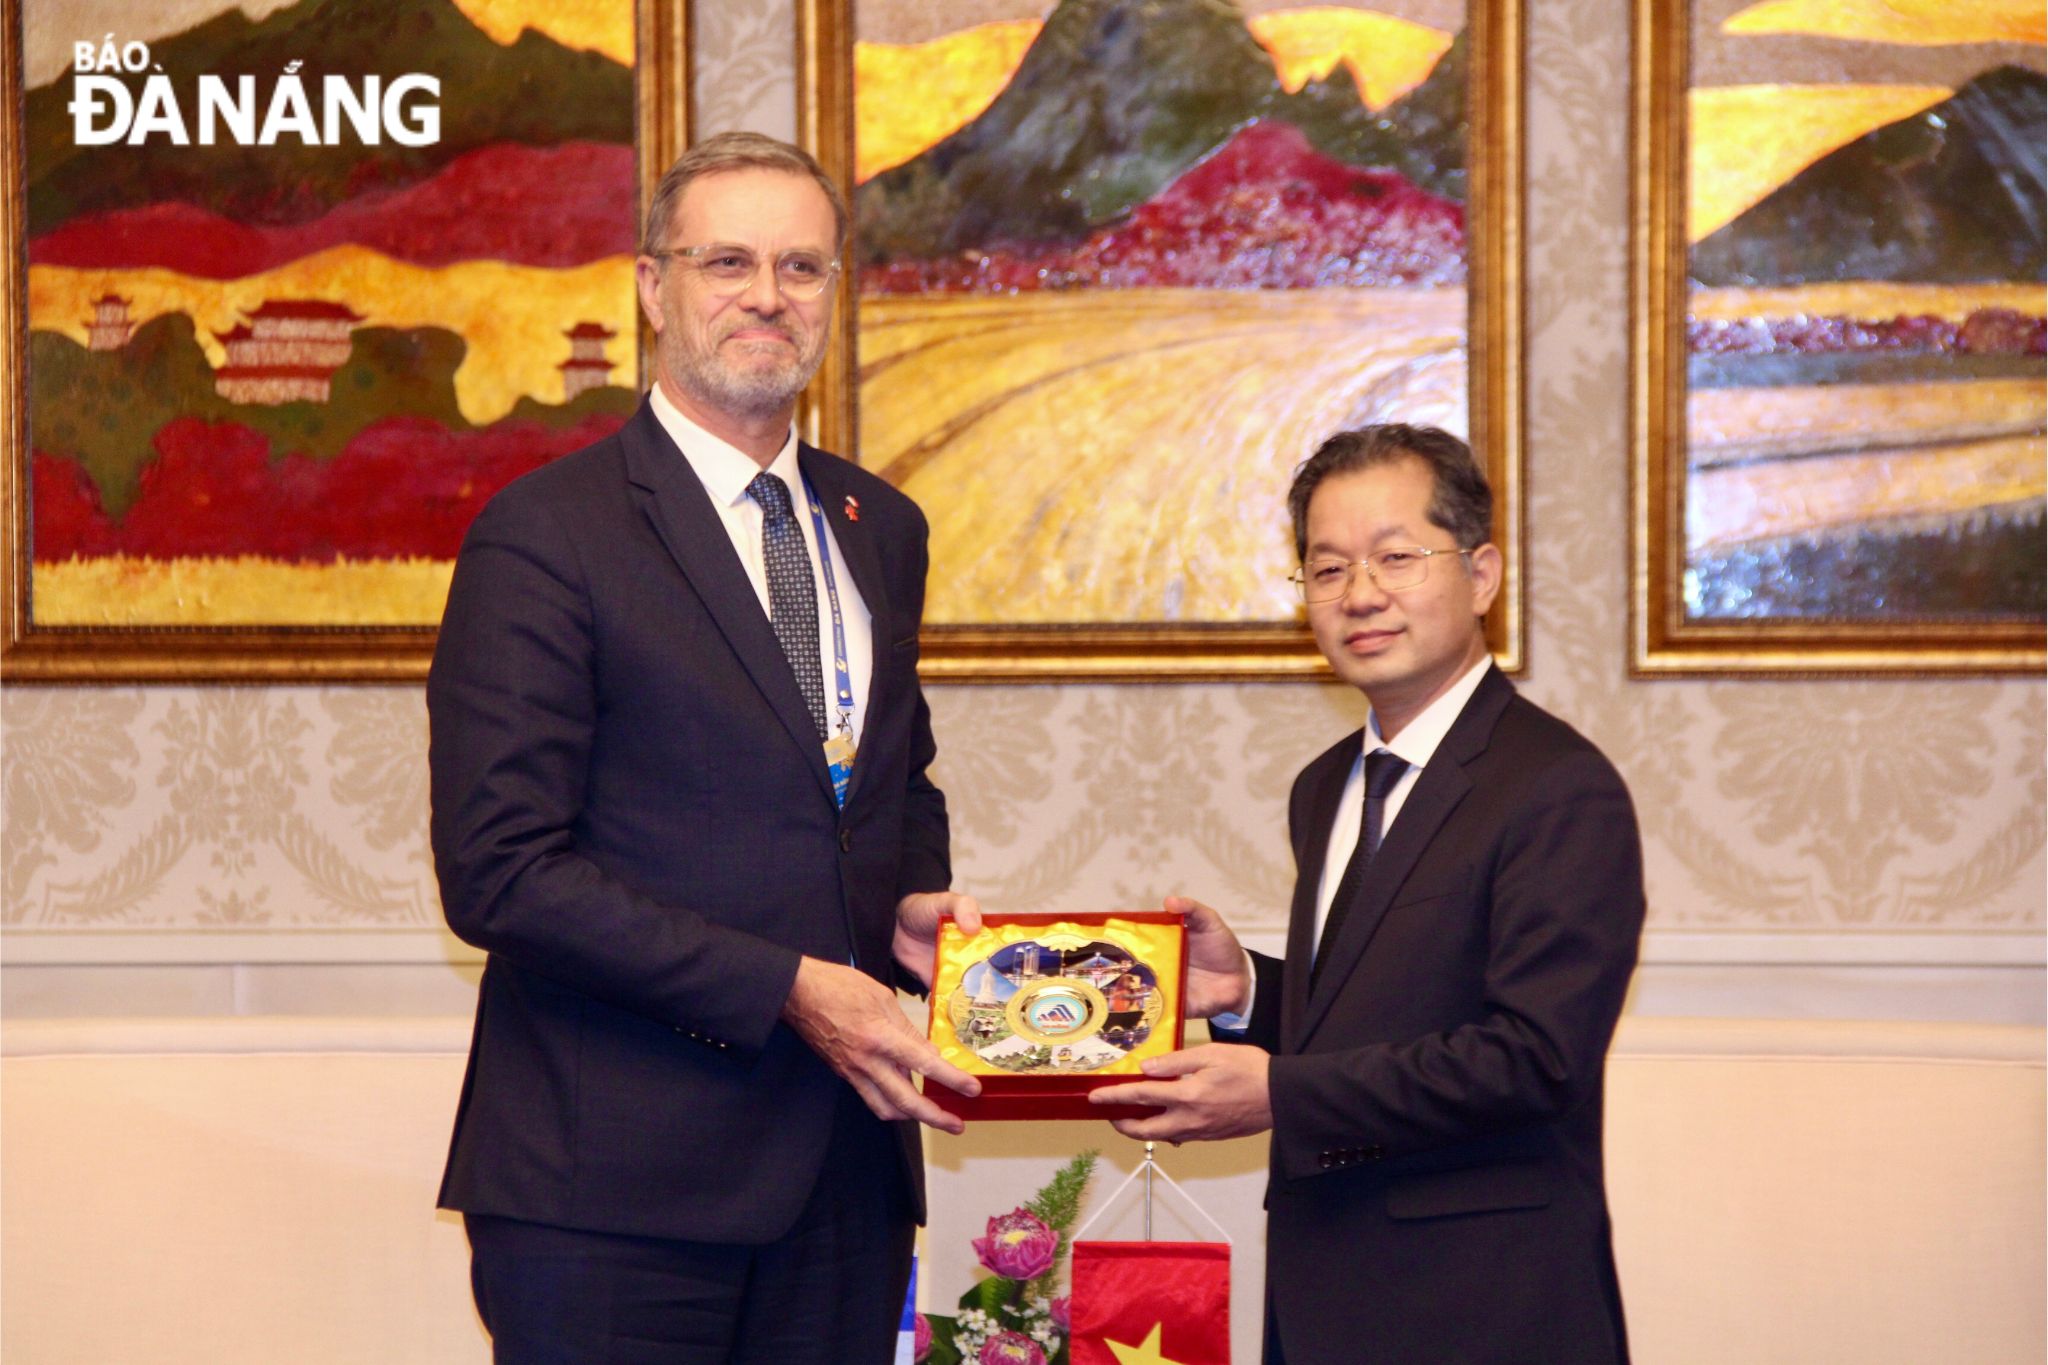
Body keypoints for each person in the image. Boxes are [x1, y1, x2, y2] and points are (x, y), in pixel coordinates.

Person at [428, 131, 982, 1364]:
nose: (766, 296)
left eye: (802, 266)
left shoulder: (879, 526)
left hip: (842, 1178)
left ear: (834, 293)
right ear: (649, 285)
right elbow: (499, 871)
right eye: (726, 260)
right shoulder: (544, 536)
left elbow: (891, 778)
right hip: (613, 1195)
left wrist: (910, 904)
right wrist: (784, 985)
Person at [1091, 424, 1645, 1364]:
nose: (1361, 595)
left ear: (1481, 574)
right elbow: (1384, 1006)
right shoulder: (1327, 785)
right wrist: (1251, 996)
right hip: (1326, 1291)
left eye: (1396, 557)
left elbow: (1534, 1058)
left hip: (1486, 1302)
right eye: (1328, 567)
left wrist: (1280, 1092)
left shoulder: (1556, 785)